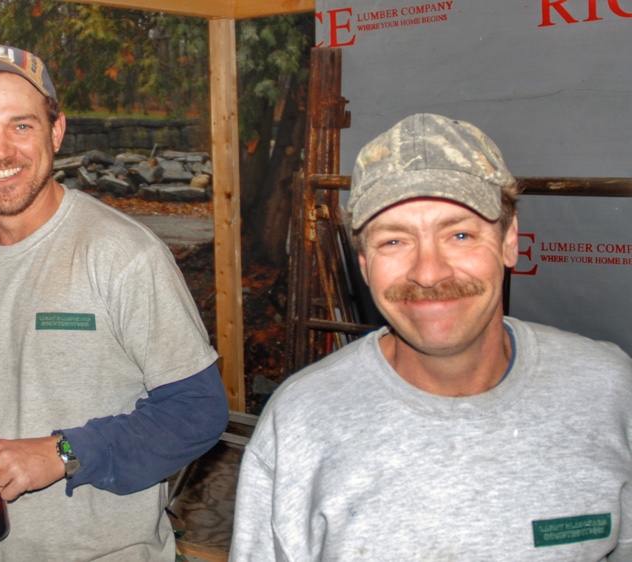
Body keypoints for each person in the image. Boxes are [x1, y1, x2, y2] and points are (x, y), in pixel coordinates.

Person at [230, 113, 632, 560]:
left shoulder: (609, 391)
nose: (429, 272)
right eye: (394, 242)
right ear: (363, 265)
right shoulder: (302, 423)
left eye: (459, 234)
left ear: (509, 240)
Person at [0, 44, 229, 561]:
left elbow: (199, 411)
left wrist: (63, 452)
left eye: (21, 126)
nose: (0, 151)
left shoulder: (123, 255)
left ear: (56, 131)